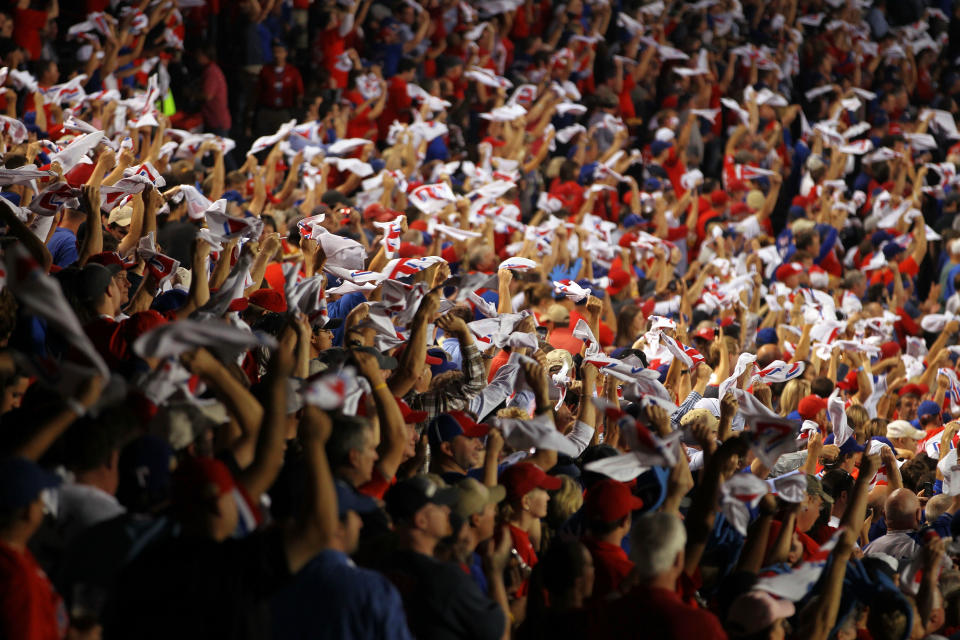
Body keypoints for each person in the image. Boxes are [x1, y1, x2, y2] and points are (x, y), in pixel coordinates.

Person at [380, 476, 508, 640]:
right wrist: (495, 573)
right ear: (421, 521)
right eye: (440, 506)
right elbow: (501, 635)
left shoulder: (382, 565)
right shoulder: (446, 579)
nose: (448, 511)